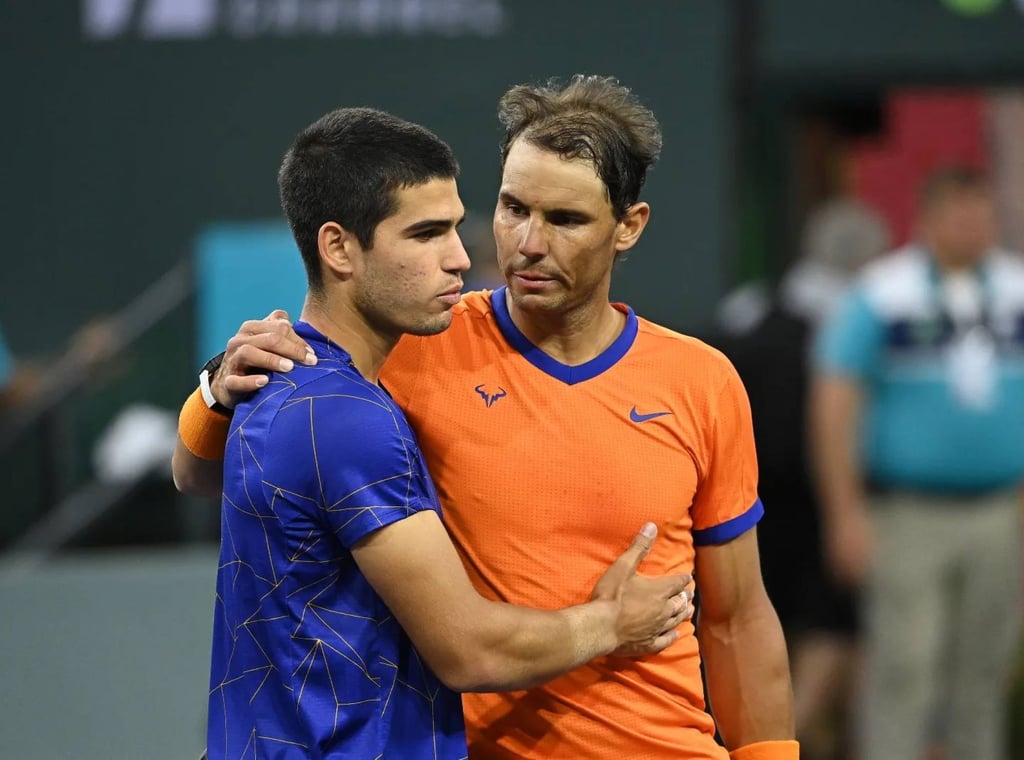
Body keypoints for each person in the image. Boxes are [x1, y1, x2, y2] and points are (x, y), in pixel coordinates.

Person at [175, 76, 798, 759]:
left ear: (629, 226)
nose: (527, 243)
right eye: (512, 208)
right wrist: (216, 392)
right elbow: (219, 474)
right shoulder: (414, 341)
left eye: (565, 220)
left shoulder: (702, 381)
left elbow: (737, 617)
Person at [811, 165, 1024, 760]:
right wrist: (844, 511)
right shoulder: (883, 294)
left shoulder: (1015, 290)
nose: (973, 227)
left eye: (982, 215)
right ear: (927, 220)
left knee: (983, 669)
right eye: (959, 215)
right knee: (904, 665)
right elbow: (835, 402)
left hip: (996, 510)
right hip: (907, 513)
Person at [715, 198, 888, 760]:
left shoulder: (750, 308)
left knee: (767, 619)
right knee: (832, 627)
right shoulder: (866, 318)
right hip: (818, 503)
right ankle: (792, 736)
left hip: (742, 498)